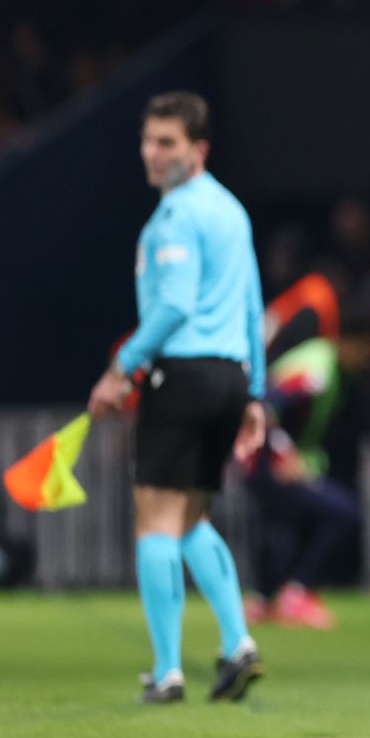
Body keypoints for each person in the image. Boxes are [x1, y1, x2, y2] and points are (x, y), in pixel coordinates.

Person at [86, 91, 267, 704]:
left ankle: (167, 673)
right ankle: (238, 642)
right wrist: (256, 394)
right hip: (227, 379)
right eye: (148, 140)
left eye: (167, 142)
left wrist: (121, 368)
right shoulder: (232, 210)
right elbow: (249, 306)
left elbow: (175, 306)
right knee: (191, 517)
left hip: (182, 375)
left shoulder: (175, 217)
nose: (152, 152)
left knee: (154, 522)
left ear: (198, 150)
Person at [245, 297, 370, 629]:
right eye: (366, 352)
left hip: (259, 457)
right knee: (345, 512)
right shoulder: (318, 371)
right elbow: (266, 406)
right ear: (355, 344)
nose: (366, 362)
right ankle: (294, 594)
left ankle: (265, 601)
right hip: (262, 459)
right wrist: (284, 455)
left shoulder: (325, 362)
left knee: (286, 525)